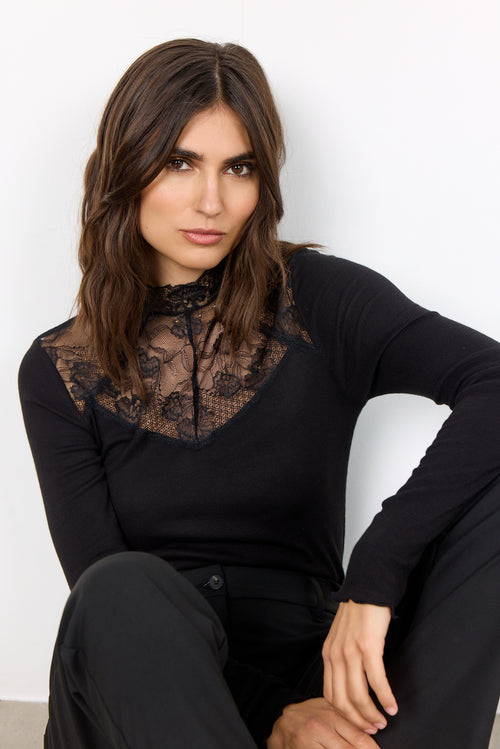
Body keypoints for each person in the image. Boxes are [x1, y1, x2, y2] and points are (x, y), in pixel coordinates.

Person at [19, 38, 500, 749]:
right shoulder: (59, 369)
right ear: (126, 168)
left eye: (238, 168)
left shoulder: (317, 298)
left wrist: (376, 575)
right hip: (149, 696)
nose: (212, 201)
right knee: (118, 587)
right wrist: (276, 712)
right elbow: (99, 598)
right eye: (180, 162)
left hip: (322, 673)